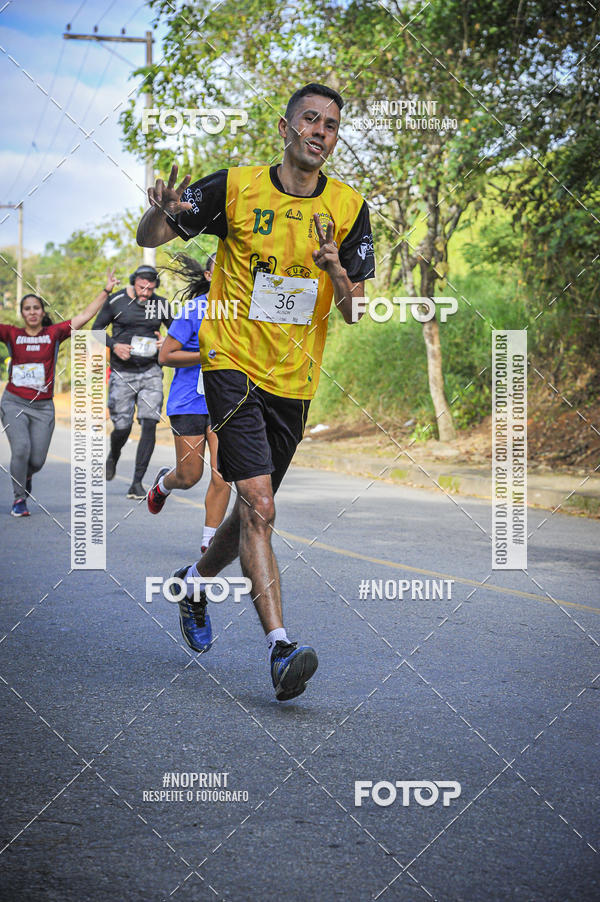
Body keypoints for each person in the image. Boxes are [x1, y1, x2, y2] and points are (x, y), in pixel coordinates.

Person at [136, 83, 375, 700]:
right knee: (262, 507)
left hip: (293, 383)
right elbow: (152, 234)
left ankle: (193, 582)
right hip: (230, 363)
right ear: (285, 128)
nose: (320, 132)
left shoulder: (348, 208)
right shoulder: (234, 187)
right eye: (310, 121)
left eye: (331, 126)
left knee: (250, 511)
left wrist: (335, 270)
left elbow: (353, 311)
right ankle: (280, 648)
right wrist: (162, 210)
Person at [0, 269, 119, 516]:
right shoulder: (12, 334)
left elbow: (85, 315)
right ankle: (19, 499)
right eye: (27, 308)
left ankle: (27, 476)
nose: (32, 312)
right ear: (22, 314)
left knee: (37, 461)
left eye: (36, 308)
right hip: (14, 402)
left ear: (42, 312)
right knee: (20, 448)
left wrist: (106, 290)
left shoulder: (53, 334)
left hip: (43, 407)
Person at [147, 252, 231, 563]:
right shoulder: (194, 309)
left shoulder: (246, 310)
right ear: (209, 276)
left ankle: (209, 542)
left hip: (226, 403)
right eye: (220, 269)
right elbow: (165, 356)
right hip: (189, 400)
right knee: (190, 475)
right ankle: (164, 483)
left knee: (224, 474)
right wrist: (207, 357)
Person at [92, 264, 172, 499]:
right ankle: (114, 454)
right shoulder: (117, 301)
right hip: (122, 373)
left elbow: (177, 330)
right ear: (133, 282)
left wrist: (166, 341)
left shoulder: (161, 304)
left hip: (151, 371)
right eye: (141, 287)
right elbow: (96, 330)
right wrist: (114, 345)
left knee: (149, 423)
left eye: (150, 288)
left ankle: (137, 482)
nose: (145, 293)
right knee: (123, 427)